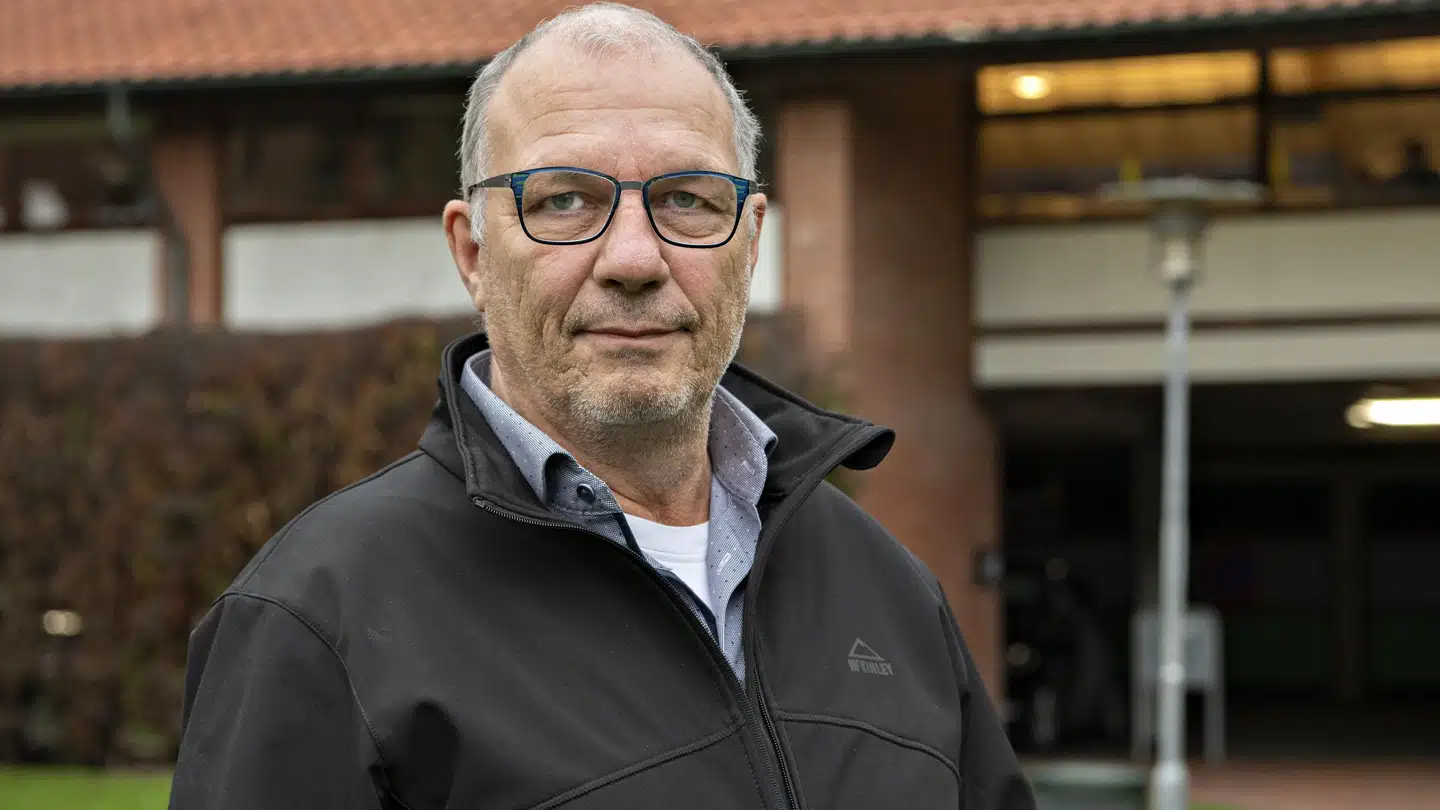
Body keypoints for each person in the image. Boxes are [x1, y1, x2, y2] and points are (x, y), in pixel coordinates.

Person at [168, 4, 1034, 809]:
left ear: (752, 240)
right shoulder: (319, 621)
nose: (633, 258)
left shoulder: (890, 593)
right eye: (565, 201)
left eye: (687, 200)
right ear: (472, 252)